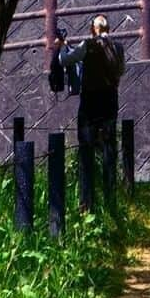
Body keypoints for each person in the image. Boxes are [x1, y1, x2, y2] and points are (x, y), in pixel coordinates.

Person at [59, 14, 125, 208]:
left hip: (90, 102)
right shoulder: (118, 47)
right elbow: (121, 70)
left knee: (86, 148)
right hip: (110, 99)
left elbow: (65, 60)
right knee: (109, 147)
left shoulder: (87, 45)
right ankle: (110, 197)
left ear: (93, 29)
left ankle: (86, 201)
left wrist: (63, 45)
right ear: (109, 29)